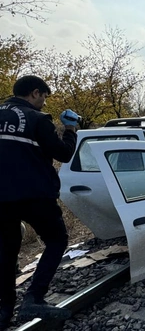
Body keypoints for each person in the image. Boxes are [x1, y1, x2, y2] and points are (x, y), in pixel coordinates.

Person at [0, 75, 79, 330]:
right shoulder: (37, 119)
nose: (44, 103)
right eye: (43, 97)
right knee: (57, 240)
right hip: (34, 194)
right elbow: (64, 153)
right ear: (35, 93)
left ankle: (4, 310)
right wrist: (70, 130)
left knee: (7, 250)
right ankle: (34, 297)